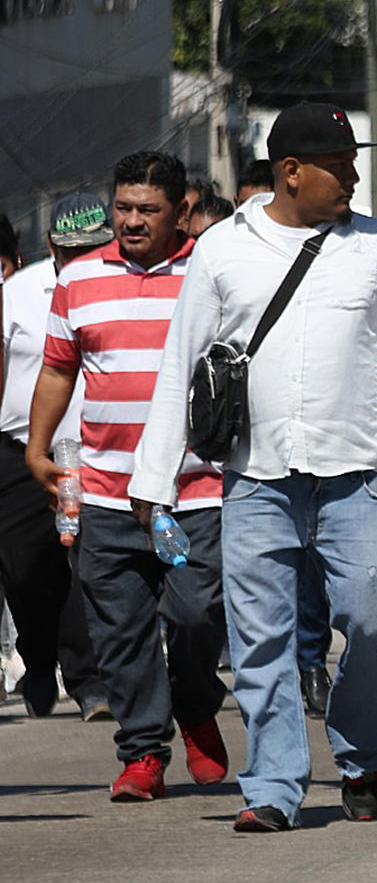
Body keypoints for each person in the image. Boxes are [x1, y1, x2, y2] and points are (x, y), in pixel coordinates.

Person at [131, 102, 377, 831]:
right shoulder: (223, 250)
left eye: (353, 162)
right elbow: (179, 366)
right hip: (255, 480)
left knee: (375, 618)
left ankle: (362, 748)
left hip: (354, 478)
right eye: (340, 166)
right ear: (291, 172)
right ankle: (274, 786)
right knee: (261, 641)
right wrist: (153, 483)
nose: (353, 176)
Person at [26, 162, 228, 802]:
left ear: (181, 210)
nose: (133, 221)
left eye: (148, 210)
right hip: (109, 494)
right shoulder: (79, 279)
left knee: (197, 613)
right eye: (123, 208)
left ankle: (195, 705)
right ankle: (143, 752)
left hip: (193, 492)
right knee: (121, 630)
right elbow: (59, 370)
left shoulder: (213, 271)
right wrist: (36, 448)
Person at [0, 201, 108, 721]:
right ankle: (38, 660)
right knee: (24, 570)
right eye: (72, 252)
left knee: (89, 569)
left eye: (93, 249)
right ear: (50, 248)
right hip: (22, 452)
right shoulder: (17, 293)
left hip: (101, 453)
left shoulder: (120, 285)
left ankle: (89, 681)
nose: (84, 260)